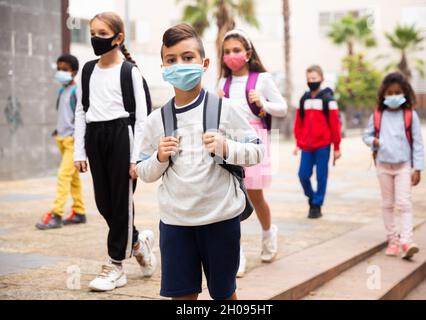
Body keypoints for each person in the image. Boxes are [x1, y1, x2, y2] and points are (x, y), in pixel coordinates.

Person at [136, 23, 264, 300]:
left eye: (188, 57)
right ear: (163, 67)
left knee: (224, 294)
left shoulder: (225, 109)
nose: (179, 64)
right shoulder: (155, 120)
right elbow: (142, 171)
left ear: (204, 63)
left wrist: (227, 147)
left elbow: (257, 151)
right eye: (171, 60)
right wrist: (159, 157)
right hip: (175, 223)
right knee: (182, 297)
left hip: (221, 220)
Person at [74, 12, 156, 292]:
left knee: (121, 202)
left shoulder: (129, 72)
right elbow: (81, 111)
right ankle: (137, 242)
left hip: (123, 135)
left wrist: (137, 157)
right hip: (96, 137)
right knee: (104, 203)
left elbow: (143, 117)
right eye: (92, 33)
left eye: (102, 33)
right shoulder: (87, 70)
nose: (96, 38)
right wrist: (79, 151)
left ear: (118, 38)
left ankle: (115, 265)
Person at [217, 29, 287, 276]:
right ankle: (237, 254)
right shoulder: (221, 84)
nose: (231, 55)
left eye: (236, 50)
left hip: (255, 140)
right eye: (227, 52)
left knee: (255, 196)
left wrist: (263, 103)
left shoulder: (262, 79)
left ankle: (269, 234)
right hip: (228, 143)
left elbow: (283, 108)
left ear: (247, 53)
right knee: (232, 198)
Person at [363, 72, 424, 259]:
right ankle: (392, 240)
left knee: (404, 204)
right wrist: (373, 141)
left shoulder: (410, 115)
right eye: (389, 93)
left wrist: (418, 168)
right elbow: (366, 135)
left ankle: (407, 241)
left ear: (405, 93)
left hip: (404, 166)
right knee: (387, 204)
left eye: (397, 92)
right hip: (383, 166)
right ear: (383, 94)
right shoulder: (377, 115)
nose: (393, 96)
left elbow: (417, 143)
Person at [36, 54, 87, 230]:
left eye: (64, 69)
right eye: (59, 69)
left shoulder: (77, 91)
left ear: (73, 72)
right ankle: (79, 212)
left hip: (72, 141)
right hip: (61, 139)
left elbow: (81, 116)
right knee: (72, 178)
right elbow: (63, 114)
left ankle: (56, 214)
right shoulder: (61, 91)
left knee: (63, 176)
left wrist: (78, 137)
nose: (60, 72)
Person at [293, 65, 342, 219]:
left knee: (321, 176)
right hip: (306, 146)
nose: (311, 81)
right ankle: (312, 197)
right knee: (303, 175)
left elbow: (335, 125)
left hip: (323, 146)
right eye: (308, 79)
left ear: (321, 78)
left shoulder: (329, 100)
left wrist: (337, 147)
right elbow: (298, 123)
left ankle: (317, 205)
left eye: (314, 78)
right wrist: (298, 143)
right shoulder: (304, 99)